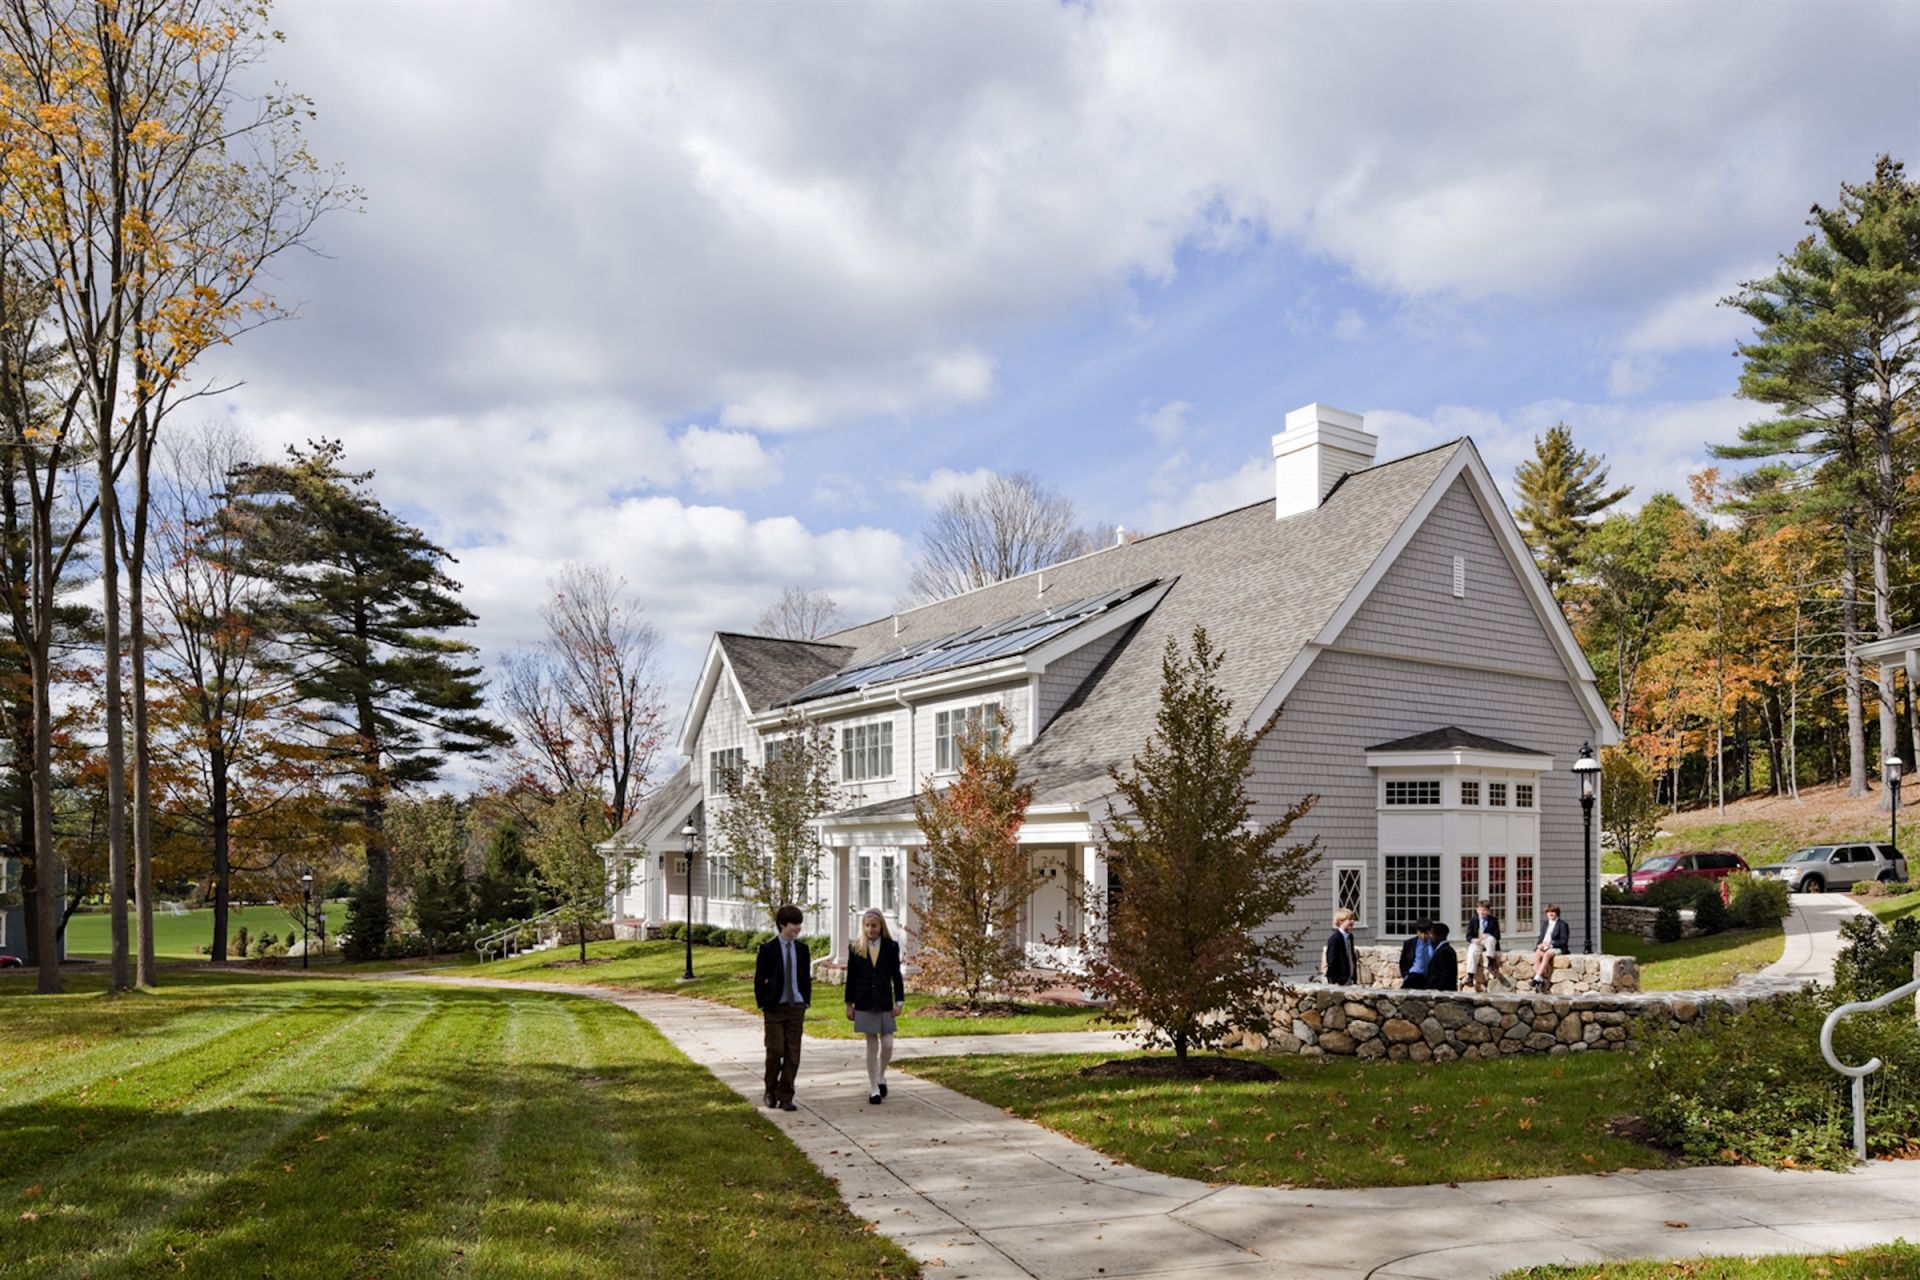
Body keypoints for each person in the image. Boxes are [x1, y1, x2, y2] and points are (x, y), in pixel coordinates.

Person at [845, 908, 905, 1104]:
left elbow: (896, 976)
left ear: (881, 926)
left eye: (874, 926)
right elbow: (851, 979)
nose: (870, 929)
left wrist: (899, 1001)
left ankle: (881, 1075)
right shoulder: (855, 947)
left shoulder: (891, 946)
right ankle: (873, 1088)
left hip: (884, 1000)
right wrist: (849, 1004)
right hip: (864, 1001)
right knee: (872, 1044)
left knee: (888, 1044)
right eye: (867, 926)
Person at [754, 904, 811, 1111]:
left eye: (799, 924)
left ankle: (786, 1095)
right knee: (774, 1050)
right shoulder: (769, 950)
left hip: (796, 1006)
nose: (798, 928)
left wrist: (804, 1001)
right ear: (782, 925)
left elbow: (805, 978)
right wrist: (764, 1002)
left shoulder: (802, 950)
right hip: (775, 1008)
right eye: (794, 924)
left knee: (792, 1054)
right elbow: (759, 979)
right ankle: (770, 1089)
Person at [1464, 898, 1501, 992]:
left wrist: (1488, 934)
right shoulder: (1473, 920)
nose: (1482, 912)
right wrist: (1473, 940)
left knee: (1491, 939)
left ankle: (1490, 961)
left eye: (1484, 910)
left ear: (1488, 911)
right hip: (1478, 942)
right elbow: (1468, 936)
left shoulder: (1493, 920)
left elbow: (1497, 936)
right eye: (1480, 909)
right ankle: (1470, 976)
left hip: (1489, 942)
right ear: (1477, 910)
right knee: (1472, 950)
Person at [1530, 903, 1570, 992]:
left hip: (1557, 947)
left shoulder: (1562, 924)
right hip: (1545, 947)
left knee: (1547, 955)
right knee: (1538, 953)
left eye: (1553, 912)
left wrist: (1551, 944)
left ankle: (1537, 978)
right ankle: (1541, 978)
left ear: (1557, 913)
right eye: (1548, 912)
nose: (1550, 914)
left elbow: (1564, 941)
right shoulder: (1545, 924)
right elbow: (1541, 937)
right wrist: (1539, 945)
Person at [1323, 907, 1359, 985]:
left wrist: (1354, 976)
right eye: (1349, 919)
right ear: (1340, 921)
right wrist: (1337, 978)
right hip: (1338, 979)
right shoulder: (1335, 939)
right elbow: (1331, 960)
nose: (1352, 921)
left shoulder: (1350, 936)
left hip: (1349, 976)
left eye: (1353, 919)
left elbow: (1351, 956)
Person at [1399, 920, 1435, 989]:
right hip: (1413, 977)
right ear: (1417, 931)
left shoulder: (1435, 944)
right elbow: (1403, 962)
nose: (1423, 936)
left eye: (1426, 933)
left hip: (1430, 979)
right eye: (1421, 933)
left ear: (1430, 931)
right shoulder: (1409, 944)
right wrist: (1406, 976)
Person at [1427, 920, 1460, 992]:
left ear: (1440, 936)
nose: (1430, 937)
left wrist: (1439, 991)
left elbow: (1445, 974)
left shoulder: (1444, 951)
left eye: (1432, 934)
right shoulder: (1443, 949)